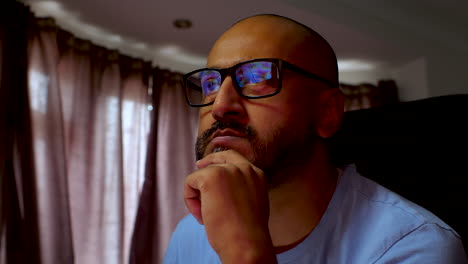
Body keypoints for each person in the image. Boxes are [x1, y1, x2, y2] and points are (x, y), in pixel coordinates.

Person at [163, 14, 467, 263]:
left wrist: (245, 253)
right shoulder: (190, 234)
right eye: (210, 83)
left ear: (327, 113)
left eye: (257, 77)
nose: (219, 106)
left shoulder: (414, 246)